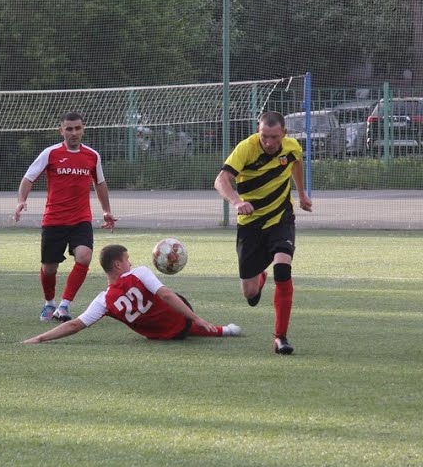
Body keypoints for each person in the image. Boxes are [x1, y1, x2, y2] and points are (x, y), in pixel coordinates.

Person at [213, 110, 313, 355]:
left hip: (281, 218)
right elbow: (221, 180)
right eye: (264, 136)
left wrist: (301, 194)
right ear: (258, 131)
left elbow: (296, 162)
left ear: (284, 134)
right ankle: (259, 279)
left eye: (274, 137)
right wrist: (237, 202)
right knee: (250, 293)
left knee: (283, 269)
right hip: (251, 224)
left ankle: (280, 338)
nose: (268, 142)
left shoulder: (291, 147)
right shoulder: (246, 148)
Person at [14, 111, 118, 323]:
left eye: (77, 128)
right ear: (61, 130)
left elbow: (99, 183)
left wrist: (106, 211)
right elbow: (28, 178)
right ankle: (49, 303)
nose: (74, 133)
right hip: (54, 220)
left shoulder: (92, 156)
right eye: (69, 129)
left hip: (81, 219)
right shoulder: (50, 153)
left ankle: (64, 305)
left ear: (83, 129)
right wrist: (21, 200)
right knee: (49, 268)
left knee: (84, 256)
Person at [22, 244, 242, 344]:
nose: (131, 262)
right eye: (127, 259)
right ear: (118, 264)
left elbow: (74, 325)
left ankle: (223, 330)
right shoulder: (139, 273)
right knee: (170, 300)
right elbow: (166, 295)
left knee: (169, 321)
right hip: (182, 320)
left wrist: (40, 338)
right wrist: (196, 318)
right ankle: (223, 330)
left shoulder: (104, 300)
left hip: (164, 336)